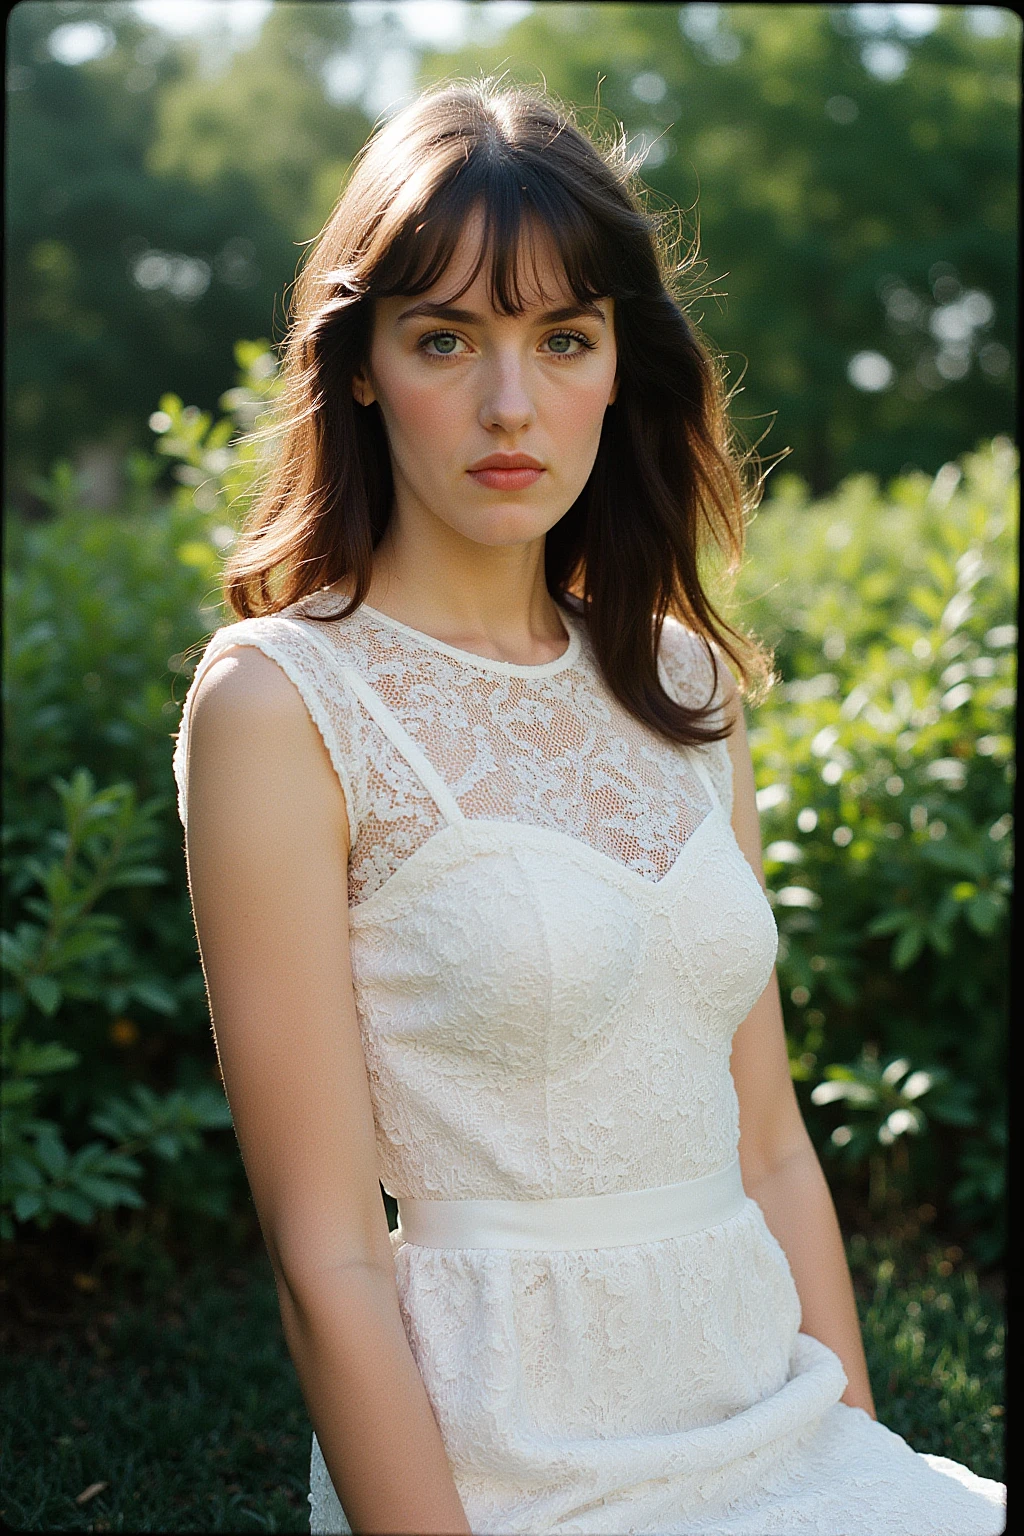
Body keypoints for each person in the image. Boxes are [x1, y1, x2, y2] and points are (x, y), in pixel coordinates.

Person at [173, 80, 1005, 1536]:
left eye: (563, 339)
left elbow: (768, 1145)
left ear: (622, 364)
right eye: (448, 339)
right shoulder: (279, 703)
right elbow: (327, 1262)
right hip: (514, 1464)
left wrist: (862, 1462)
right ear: (362, 365)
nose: (513, 404)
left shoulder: (681, 678)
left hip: (773, 1420)